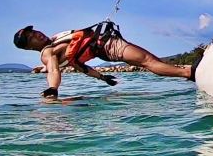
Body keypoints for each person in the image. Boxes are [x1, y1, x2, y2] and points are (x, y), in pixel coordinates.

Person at [13, 21, 198, 100]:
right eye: (32, 37)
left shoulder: (54, 41)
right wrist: (53, 89)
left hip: (106, 47)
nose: (37, 34)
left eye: (34, 31)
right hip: (107, 47)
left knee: (151, 61)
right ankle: (190, 73)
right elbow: (53, 70)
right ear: (29, 46)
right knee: (149, 62)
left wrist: (103, 78)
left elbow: (80, 67)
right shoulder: (47, 53)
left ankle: (188, 72)